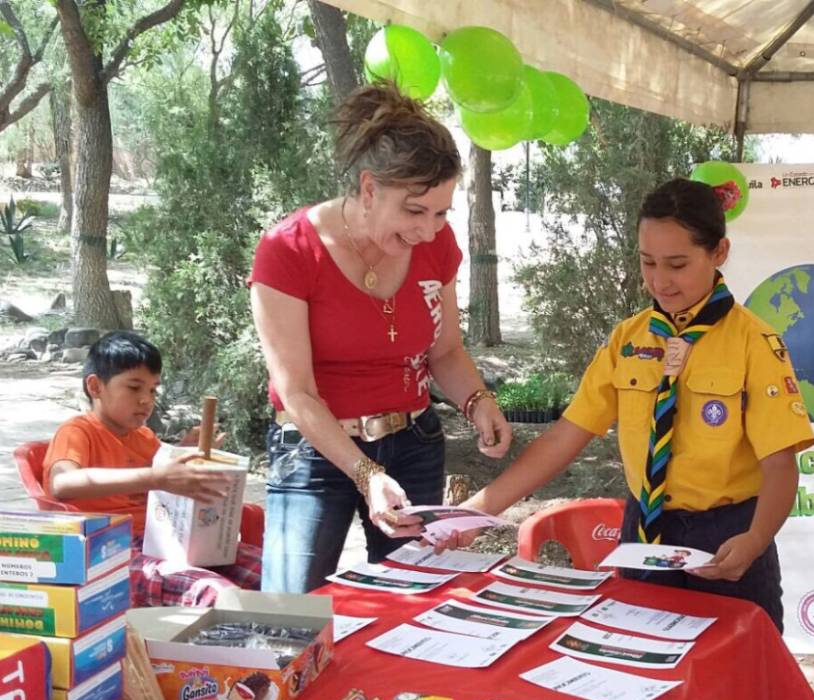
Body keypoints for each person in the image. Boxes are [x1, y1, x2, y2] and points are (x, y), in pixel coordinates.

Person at [459, 177, 814, 700]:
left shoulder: (754, 344)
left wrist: (756, 539)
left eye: (678, 263)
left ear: (720, 254)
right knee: (647, 693)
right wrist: (481, 508)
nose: (661, 280)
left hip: (727, 538)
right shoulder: (629, 342)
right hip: (644, 537)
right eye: (648, 263)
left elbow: (780, 465)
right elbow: (565, 437)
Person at [249, 82, 512, 593]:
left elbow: (446, 351)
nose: (429, 230)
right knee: (292, 612)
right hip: (313, 450)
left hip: (412, 443)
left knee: (414, 598)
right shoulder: (288, 249)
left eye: (441, 213)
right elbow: (296, 391)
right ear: (369, 189)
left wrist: (477, 401)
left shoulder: (438, 247)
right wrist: (365, 473)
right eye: (415, 211)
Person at [44, 331, 262, 607]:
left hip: (164, 542)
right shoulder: (77, 431)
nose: (147, 400)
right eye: (134, 388)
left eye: (152, 390)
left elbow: (165, 481)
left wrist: (183, 451)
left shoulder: (145, 437)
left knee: (270, 572)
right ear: (95, 387)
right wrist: (155, 477)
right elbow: (62, 484)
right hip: (110, 550)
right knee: (214, 593)